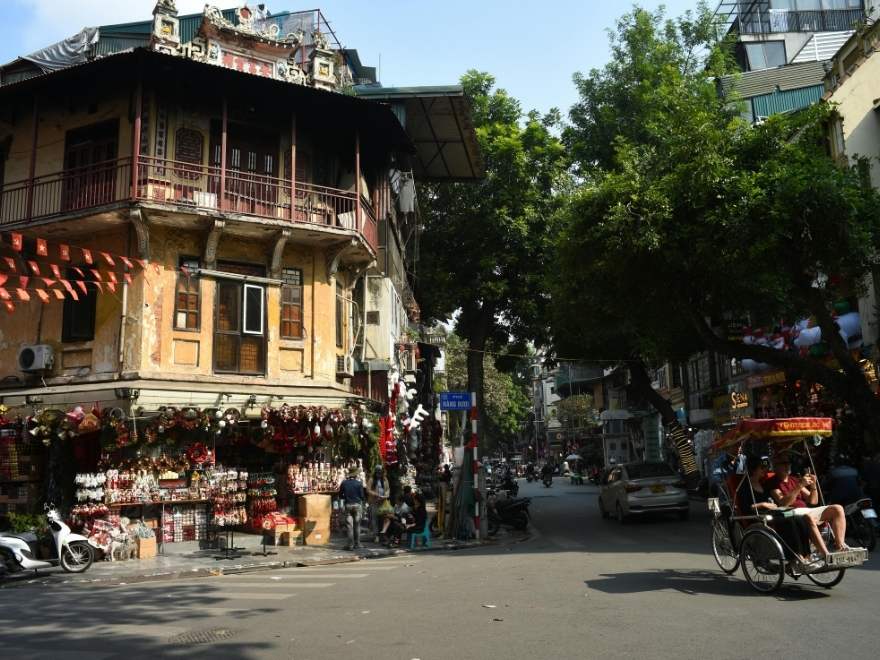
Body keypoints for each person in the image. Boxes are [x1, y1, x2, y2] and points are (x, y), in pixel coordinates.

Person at [737, 456, 818, 568]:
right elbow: (745, 507)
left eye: (766, 467)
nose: (766, 470)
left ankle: (806, 555)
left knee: (800, 519)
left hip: (772, 513)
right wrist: (762, 504)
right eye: (762, 467)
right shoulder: (745, 486)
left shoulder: (763, 484)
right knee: (789, 521)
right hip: (757, 516)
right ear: (754, 469)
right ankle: (796, 557)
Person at [767, 454, 849, 558]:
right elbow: (783, 503)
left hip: (805, 510)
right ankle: (826, 555)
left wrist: (813, 485)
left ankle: (840, 546)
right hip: (789, 512)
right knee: (808, 517)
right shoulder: (773, 483)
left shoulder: (794, 479)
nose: (787, 466)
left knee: (837, 508)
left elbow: (813, 501)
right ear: (775, 466)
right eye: (783, 463)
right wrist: (800, 486)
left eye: (788, 463)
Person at [338, 467, 365, 551]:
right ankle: (358, 543)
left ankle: (350, 545)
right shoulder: (359, 483)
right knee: (357, 525)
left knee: (349, 526)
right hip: (357, 505)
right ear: (356, 474)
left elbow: (340, 495)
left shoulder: (344, 483)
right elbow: (362, 496)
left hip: (348, 505)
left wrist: (346, 497)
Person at [366, 466, 391, 542]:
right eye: (378, 472)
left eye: (380, 472)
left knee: (384, 518)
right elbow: (368, 490)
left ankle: (383, 534)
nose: (379, 474)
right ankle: (376, 535)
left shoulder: (385, 479)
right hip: (374, 501)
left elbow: (387, 489)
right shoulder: (371, 479)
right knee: (374, 519)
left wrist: (386, 495)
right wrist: (376, 495)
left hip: (383, 502)